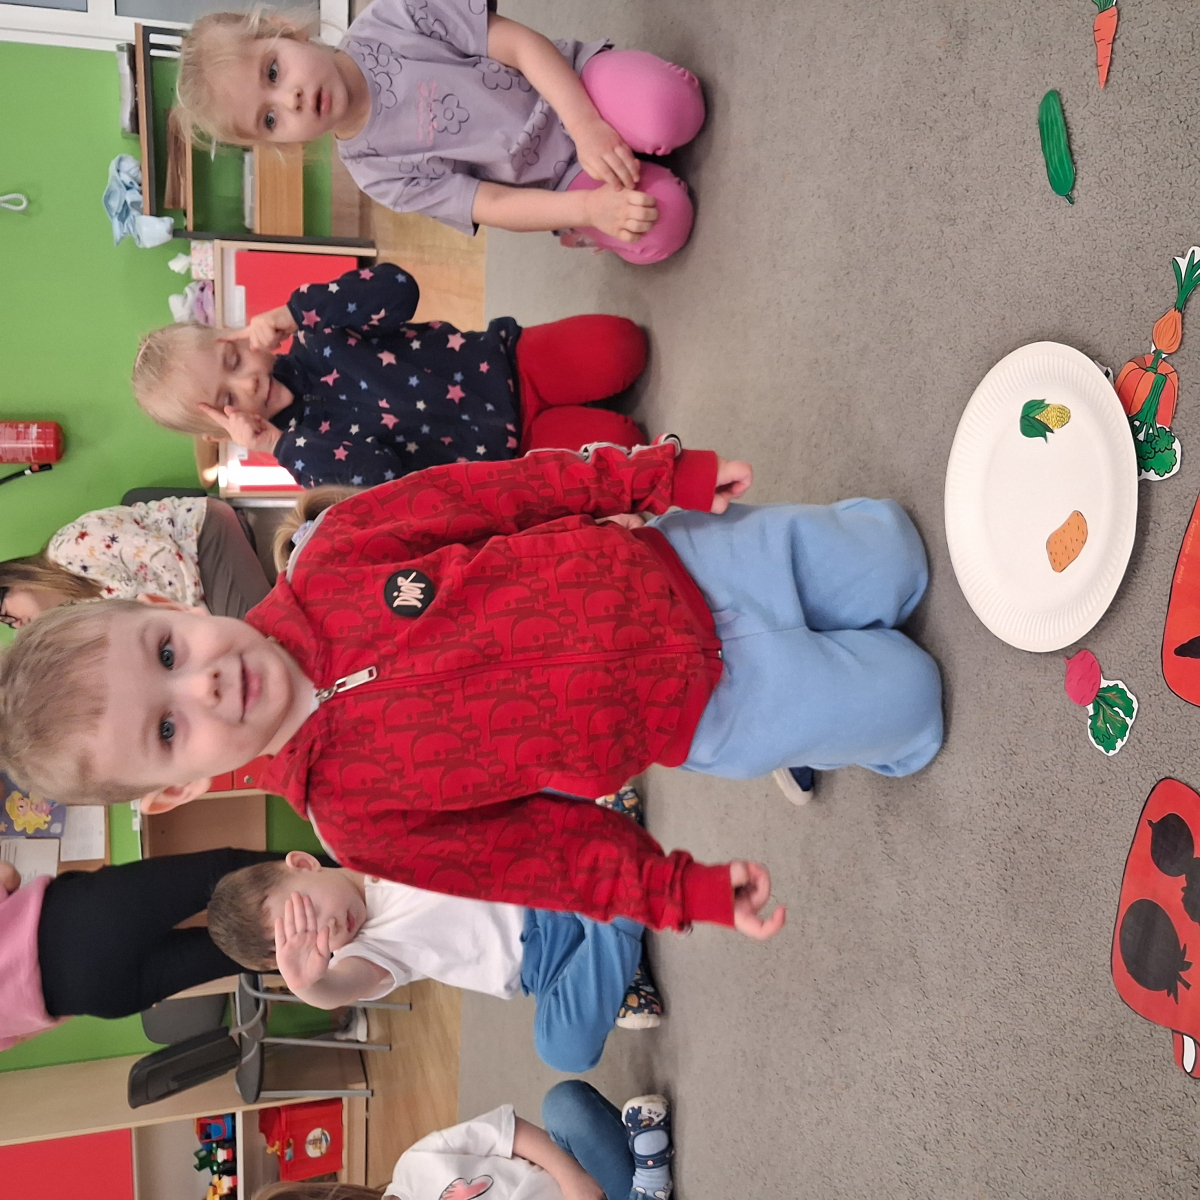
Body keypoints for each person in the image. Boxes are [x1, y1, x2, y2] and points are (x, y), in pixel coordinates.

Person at [0, 440, 943, 937]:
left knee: (899, 555)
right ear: (178, 791)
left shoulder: (336, 552)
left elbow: (497, 495)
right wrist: (673, 891)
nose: (205, 684)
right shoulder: (357, 825)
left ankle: (828, 683)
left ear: (164, 605)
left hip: (691, 562)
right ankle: (834, 726)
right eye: (168, 730)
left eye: (168, 652)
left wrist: (653, 477)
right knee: (916, 702)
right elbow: (543, 858)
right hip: (708, 714)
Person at [173, 3, 704, 264]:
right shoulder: (376, 173)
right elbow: (491, 202)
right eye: (269, 120)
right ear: (279, 144)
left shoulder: (393, 16)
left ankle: (628, 136)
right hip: (558, 182)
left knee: (676, 111)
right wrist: (587, 211)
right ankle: (593, 224)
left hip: (574, 85)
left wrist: (586, 125)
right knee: (667, 223)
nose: (288, 100)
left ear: (286, 32)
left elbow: (519, 46)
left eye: (272, 72)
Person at [133, 263, 646, 489]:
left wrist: (296, 311)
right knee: (627, 452)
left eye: (234, 361)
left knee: (621, 346)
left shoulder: (317, 331)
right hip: (511, 455)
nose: (247, 384)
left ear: (238, 336)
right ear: (222, 429)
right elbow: (383, 476)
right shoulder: (304, 455)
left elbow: (399, 289)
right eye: (228, 400)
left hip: (512, 364)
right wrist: (276, 444)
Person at [207, 850, 661, 1072]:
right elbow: (338, 987)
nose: (326, 930)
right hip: (546, 969)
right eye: (310, 945)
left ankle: (614, 952)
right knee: (563, 1050)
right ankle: (618, 911)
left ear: (305, 864)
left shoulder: (371, 846)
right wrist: (309, 985)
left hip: (542, 876)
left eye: (306, 914)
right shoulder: (362, 954)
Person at [0, 847, 284, 1048]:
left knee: (241, 952)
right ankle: (314, 882)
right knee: (226, 874)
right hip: (77, 922)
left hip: (92, 994)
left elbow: (26, 1033)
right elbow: (7, 874)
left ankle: (315, 952)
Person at [252, 1081, 673, 1200]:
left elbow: (508, 1132)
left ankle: (643, 1183)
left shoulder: (413, 1164)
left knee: (564, 1104)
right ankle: (647, 1181)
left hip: (583, 1181)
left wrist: (571, 1179)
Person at [0, 495, 270, 626]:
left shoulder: (69, 549)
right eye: (6, 623)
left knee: (258, 634)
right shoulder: (73, 606)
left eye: (4, 613)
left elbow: (162, 554)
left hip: (197, 539)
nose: (14, 624)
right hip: (192, 585)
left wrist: (195, 618)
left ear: (12, 581)